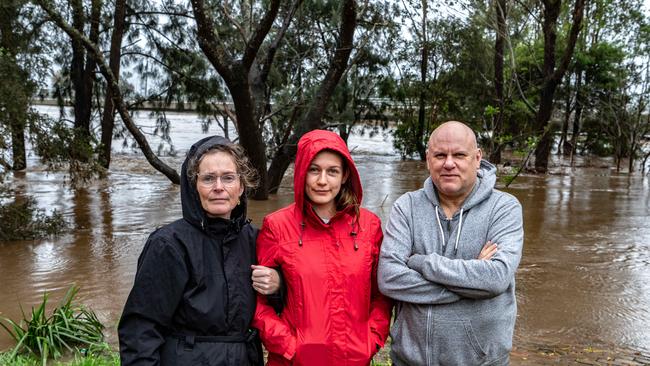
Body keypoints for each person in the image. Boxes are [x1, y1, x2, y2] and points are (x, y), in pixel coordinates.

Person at [119, 136, 281, 366]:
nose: (218, 187)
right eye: (208, 179)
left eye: (228, 178)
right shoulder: (168, 244)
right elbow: (140, 329)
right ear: (194, 187)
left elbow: (288, 309)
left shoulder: (256, 239)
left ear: (241, 187)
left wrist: (277, 286)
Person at [378, 121, 524, 365]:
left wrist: (422, 263)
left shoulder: (504, 208)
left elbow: (495, 278)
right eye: (440, 155)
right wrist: (470, 283)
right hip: (409, 360)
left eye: (459, 155)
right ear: (428, 159)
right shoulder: (407, 207)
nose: (448, 163)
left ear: (477, 158)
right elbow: (389, 278)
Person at [252, 130, 393, 366]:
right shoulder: (276, 226)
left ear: (345, 175)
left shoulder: (369, 226)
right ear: (301, 172)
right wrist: (289, 346)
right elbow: (257, 303)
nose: (322, 181)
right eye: (314, 169)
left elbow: (382, 296)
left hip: (353, 360)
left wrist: (370, 341)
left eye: (332, 172)